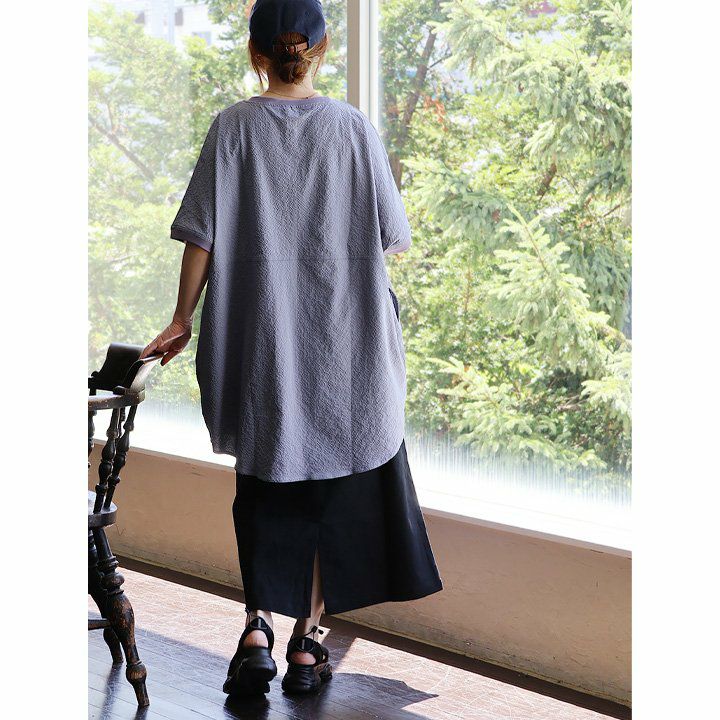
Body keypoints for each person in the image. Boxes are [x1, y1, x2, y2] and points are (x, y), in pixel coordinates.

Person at [140, 0, 443, 697]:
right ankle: (307, 643)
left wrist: (181, 318)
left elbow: (199, 237)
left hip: (261, 340)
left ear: (257, 53)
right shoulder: (353, 128)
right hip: (345, 340)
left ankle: (256, 632)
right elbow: (392, 236)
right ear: (321, 48)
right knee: (330, 488)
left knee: (264, 483)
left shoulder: (232, 128)